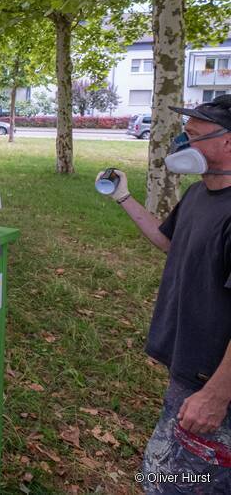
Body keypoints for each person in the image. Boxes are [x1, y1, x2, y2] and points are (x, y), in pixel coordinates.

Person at [97, 95, 231, 492]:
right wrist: (123, 197)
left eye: (194, 134)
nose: (182, 143)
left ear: (228, 142)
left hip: (213, 383)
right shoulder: (198, 195)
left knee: (182, 483)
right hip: (190, 373)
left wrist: (216, 395)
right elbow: (170, 242)